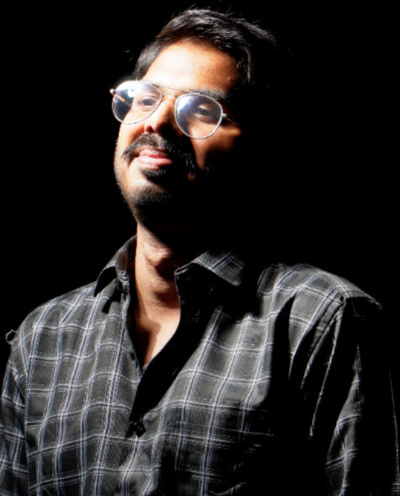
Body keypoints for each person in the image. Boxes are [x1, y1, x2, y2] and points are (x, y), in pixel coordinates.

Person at [1, 8, 398, 496]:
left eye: (201, 110)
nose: (157, 121)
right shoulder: (43, 337)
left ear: (260, 147)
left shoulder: (323, 322)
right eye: (145, 98)